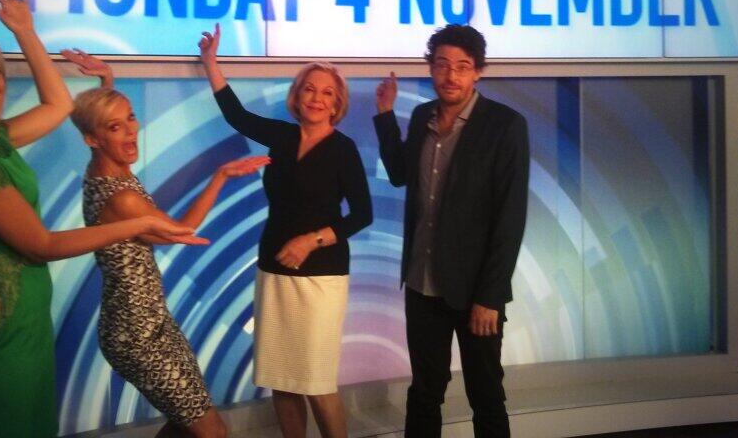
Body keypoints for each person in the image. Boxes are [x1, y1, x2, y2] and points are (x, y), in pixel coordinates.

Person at [0, 0, 204, 438]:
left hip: (26, 324)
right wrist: (137, 223)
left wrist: (25, 32)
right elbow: (43, 245)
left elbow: (58, 105)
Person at [62, 49, 270, 437]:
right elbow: (182, 229)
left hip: (149, 321)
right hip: (137, 335)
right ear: (92, 139)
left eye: (130, 118)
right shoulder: (122, 198)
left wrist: (107, 79)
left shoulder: (106, 169)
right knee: (212, 431)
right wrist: (221, 176)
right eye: (116, 127)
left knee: (186, 422)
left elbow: (102, 125)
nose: (130, 131)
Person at [197, 23, 373, 438]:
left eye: (326, 93)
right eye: (309, 89)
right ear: (297, 95)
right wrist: (210, 62)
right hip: (274, 269)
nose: (316, 98)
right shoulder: (281, 135)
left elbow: (362, 214)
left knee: (316, 382)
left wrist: (311, 240)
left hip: (322, 277)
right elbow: (237, 115)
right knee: (282, 378)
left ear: (336, 104)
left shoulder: (344, 149)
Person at [373, 24, 530, 438]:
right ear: (431, 68)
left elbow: (510, 217)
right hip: (422, 284)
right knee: (425, 392)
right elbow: (400, 174)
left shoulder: (505, 125)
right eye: (442, 64)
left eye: (462, 66)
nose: (451, 75)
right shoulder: (422, 115)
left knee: (486, 395)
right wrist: (386, 115)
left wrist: (490, 297)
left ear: (477, 71)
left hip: (475, 291)